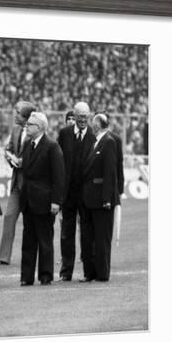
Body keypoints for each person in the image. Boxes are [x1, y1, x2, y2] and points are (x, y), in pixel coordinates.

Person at [19, 112, 65, 286]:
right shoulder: (27, 144)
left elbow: (59, 176)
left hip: (45, 201)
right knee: (28, 240)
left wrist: (56, 201)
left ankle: (45, 275)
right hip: (29, 200)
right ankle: (26, 276)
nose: (27, 127)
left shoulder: (52, 147)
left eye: (30, 124)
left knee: (45, 240)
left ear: (39, 128)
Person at [0, 101, 37, 267]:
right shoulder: (16, 130)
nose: (15, 115)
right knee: (9, 217)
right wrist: (10, 157)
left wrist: (22, 161)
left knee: (31, 223)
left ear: (26, 116)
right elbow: (9, 148)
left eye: (17, 112)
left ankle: (32, 256)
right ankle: (3, 257)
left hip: (31, 184)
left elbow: (37, 154)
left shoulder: (36, 131)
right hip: (17, 182)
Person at [57, 102, 96, 281]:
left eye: (85, 117)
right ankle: (66, 272)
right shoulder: (64, 134)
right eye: (80, 116)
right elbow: (58, 163)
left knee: (87, 234)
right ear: (75, 115)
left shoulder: (94, 136)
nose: (82, 120)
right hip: (68, 193)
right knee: (66, 233)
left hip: (87, 194)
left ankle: (89, 272)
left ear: (89, 117)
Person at [80, 113, 119, 282]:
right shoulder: (96, 142)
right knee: (88, 238)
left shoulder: (108, 142)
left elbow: (110, 172)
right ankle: (90, 273)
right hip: (89, 199)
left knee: (102, 239)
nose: (91, 126)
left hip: (100, 200)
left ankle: (102, 274)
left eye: (93, 123)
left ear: (97, 126)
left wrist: (107, 199)